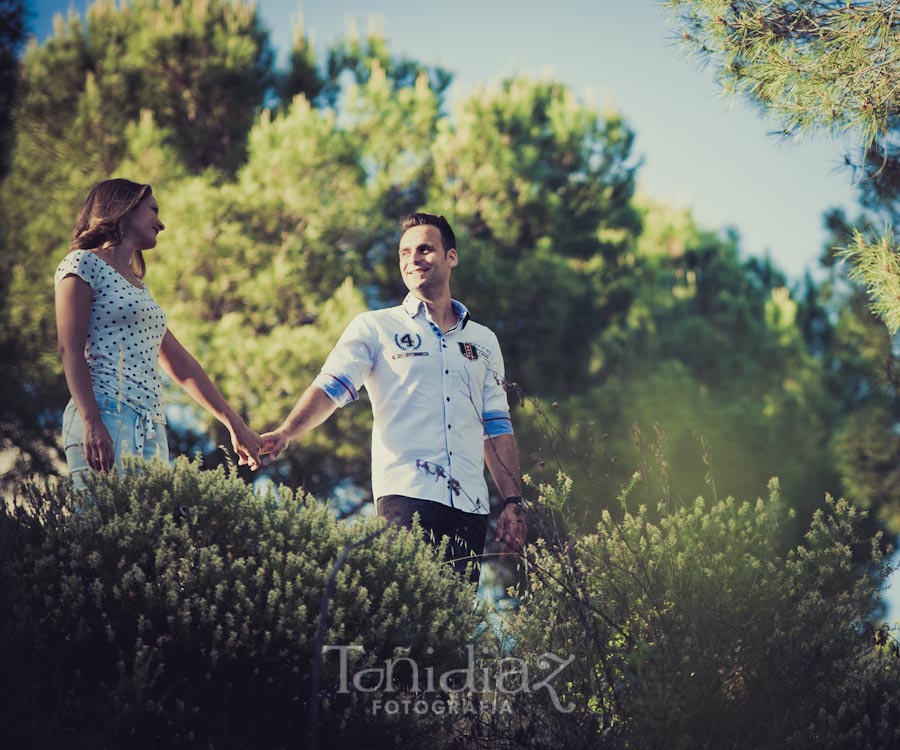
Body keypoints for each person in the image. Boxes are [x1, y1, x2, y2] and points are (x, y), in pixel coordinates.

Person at [261, 212, 526, 581]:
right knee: (405, 613)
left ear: (452, 257)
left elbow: (496, 427)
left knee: (451, 627)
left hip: (471, 506)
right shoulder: (375, 327)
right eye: (404, 253)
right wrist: (288, 431)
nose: (412, 259)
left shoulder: (483, 341)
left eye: (424, 249)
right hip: (406, 494)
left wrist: (513, 501)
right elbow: (331, 387)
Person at [55, 178, 263, 490]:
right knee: (102, 534)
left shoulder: (140, 289)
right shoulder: (82, 263)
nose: (161, 224)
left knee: (143, 536)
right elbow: (69, 350)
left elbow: (182, 366)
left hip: (152, 430)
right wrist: (91, 421)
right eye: (153, 210)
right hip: (104, 414)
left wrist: (235, 425)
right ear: (123, 209)